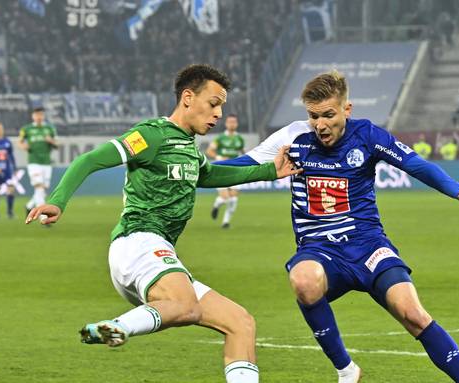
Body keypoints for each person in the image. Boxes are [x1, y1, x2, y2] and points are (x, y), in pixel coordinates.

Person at [25, 64, 301, 383]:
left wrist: (269, 171)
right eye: (213, 104)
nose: (218, 114)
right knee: (188, 307)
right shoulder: (151, 135)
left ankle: (123, 325)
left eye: (221, 107)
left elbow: (210, 175)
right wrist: (58, 201)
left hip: (155, 256)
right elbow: (90, 160)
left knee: (240, 322)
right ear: (187, 97)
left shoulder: (188, 148)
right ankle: (118, 327)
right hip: (138, 241)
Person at [217, 70, 459, 383]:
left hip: (368, 245)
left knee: (413, 314)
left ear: (347, 110)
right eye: (313, 116)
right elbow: (239, 165)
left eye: (328, 115)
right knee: (304, 280)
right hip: (319, 250)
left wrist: (456, 189)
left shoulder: (367, 135)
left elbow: (414, 163)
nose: (320, 125)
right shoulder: (293, 137)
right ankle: (347, 371)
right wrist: (189, 171)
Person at [18, 106, 58, 219]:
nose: (39, 117)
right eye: (36, 115)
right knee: (39, 188)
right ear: (33, 116)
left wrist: (51, 141)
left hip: (46, 162)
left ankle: (29, 206)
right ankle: (42, 216)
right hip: (34, 162)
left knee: (42, 190)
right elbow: (19, 143)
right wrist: (23, 146)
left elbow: (57, 144)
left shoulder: (50, 129)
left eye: (41, 114)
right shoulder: (26, 129)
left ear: (43, 116)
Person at [206, 114, 246, 228]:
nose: (232, 124)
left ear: (236, 124)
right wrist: (219, 157)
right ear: (226, 123)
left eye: (234, 122)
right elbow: (209, 151)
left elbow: (243, 152)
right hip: (220, 170)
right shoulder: (220, 138)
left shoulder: (239, 139)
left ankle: (225, 222)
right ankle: (216, 206)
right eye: (230, 122)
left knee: (233, 199)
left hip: (235, 170)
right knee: (225, 198)